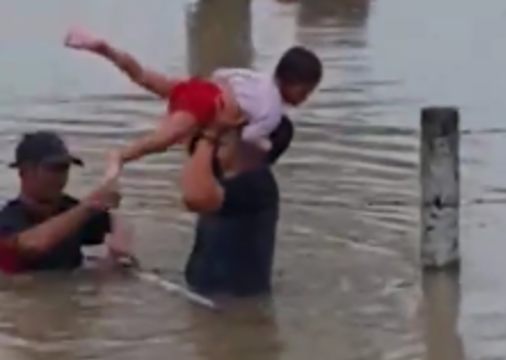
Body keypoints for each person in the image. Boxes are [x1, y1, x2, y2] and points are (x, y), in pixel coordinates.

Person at [63, 28, 321, 174]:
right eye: (306, 91)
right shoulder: (273, 111)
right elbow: (246, 137)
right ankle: (120, 157)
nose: (305, 98)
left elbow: (223, 74)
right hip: (206, 106)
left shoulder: (257, 78)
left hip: (201, 86)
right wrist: (263, 144)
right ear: (294, 84)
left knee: (143, 76)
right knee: (161, 140)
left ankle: (105, 49)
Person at [180, 115, 293, 296]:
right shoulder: (228, 176)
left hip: (227, 301)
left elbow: (194, 196)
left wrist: (207, 138)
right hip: (213, 293)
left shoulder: (252, 184)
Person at [0, 131, 130, 274]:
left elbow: (115, 220)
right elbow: (30, 246)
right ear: (25, 172)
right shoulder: (8, 220)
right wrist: (88, 206)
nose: (60, 177)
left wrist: (119, 249)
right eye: (53, 168)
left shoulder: (71, 209)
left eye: (64, 168)